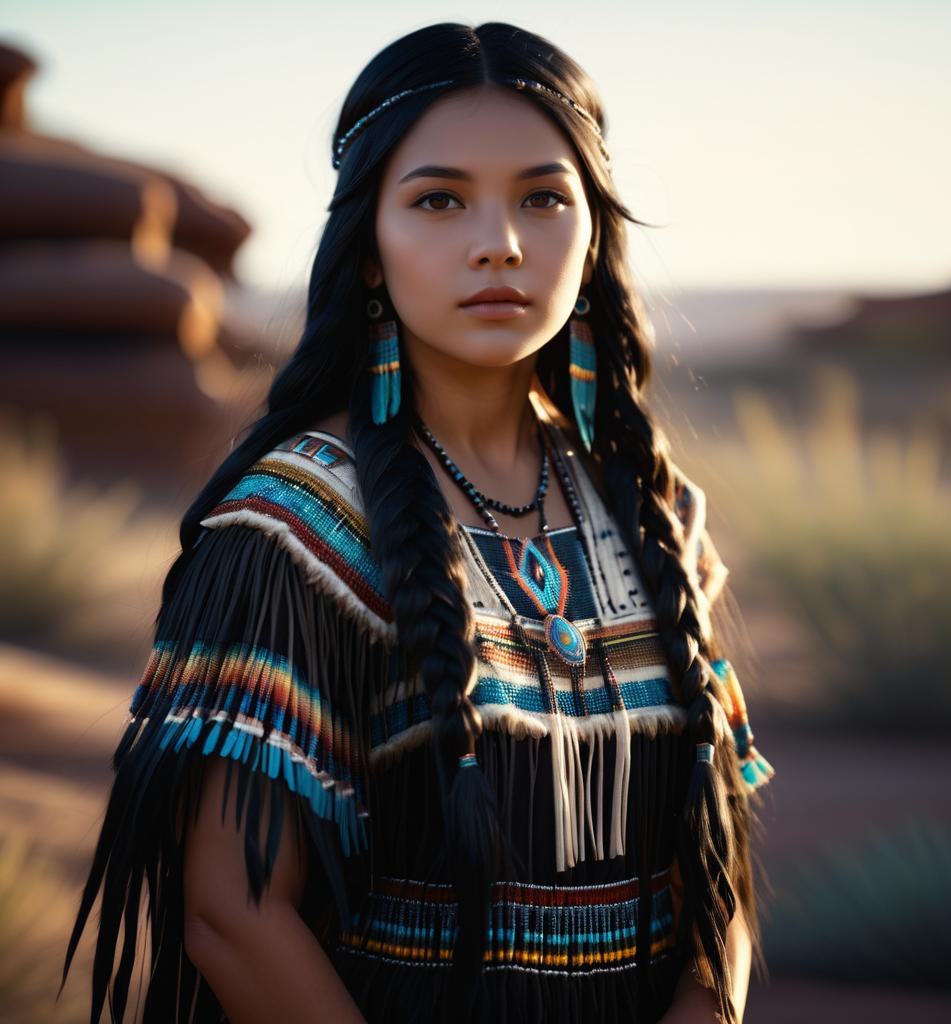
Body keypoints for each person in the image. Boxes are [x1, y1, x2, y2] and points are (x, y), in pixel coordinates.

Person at [59, 21, 775, 1024]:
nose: (501, 242)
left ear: (593, 233)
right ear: (365, 250)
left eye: (543, 197)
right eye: (439, 199)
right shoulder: (293, 527)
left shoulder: (654, 511)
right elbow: (235, 913)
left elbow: (717, 871)